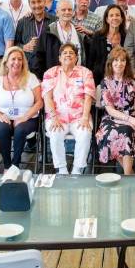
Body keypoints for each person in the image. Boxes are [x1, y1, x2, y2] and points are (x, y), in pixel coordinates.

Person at [42, 43, 96, 174]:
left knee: (85, 133)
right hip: (57, 117)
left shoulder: (86, 73)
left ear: (76, 57)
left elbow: (88, 97)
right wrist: (54, 118)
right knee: (54, 134)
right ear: (59, 58)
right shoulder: (50, 73)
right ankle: (62, 170)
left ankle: (77, 169)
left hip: (79, 117)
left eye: (71, 53)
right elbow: (47, 98)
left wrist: (84, 118)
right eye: (64, 53)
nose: (68, 55)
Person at [0, 46, 43, 170]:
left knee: (20, 130)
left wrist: (24, 117)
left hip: (28, 118)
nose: (17, 62)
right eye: (13, 59)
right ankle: (7, 166)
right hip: (4, 116)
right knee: (3, 129)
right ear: (6, 62)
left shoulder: (31, 78)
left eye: (20, 59)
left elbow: (39, 102)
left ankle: (15, 165)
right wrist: (0, 116)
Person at [95, 47, 135, 175]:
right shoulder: (106, 82)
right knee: (115, 133)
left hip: (132, 116)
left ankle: (128, 175)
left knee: (127, 131)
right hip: (111, 118)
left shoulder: (134, 80)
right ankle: (130, 175)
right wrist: (132, 120)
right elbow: (110, 110)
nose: (119, 63)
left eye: (123, 60)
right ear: (110, 63)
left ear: (127, 63)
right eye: (116, 60)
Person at [35, 0, 86, 73]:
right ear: (57, 13)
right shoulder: (48, 31)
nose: (67, 12)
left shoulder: (80, 32)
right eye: (63, 10)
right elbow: (39, 57)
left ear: (73, 12)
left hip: (78, 77)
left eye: (69, 10)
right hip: (55, 78)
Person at [15, 0, 57, 80]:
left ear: (44, 2)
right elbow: (15, 44)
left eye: (39, 1)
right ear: (29, 5)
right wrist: (23, 47)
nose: (37, 5)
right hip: (28, 70)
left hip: (50, 70)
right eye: (33, 2)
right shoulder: (22, 22)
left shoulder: (55, 21)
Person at [86, 4, 127, 85]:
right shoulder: (97, 36)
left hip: (121, 80)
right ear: (107, 19)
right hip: (99, 79)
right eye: (111, 15)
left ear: (122, 19)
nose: (114, 18)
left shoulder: (127, 36)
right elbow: (91, 61)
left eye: (117, 15)